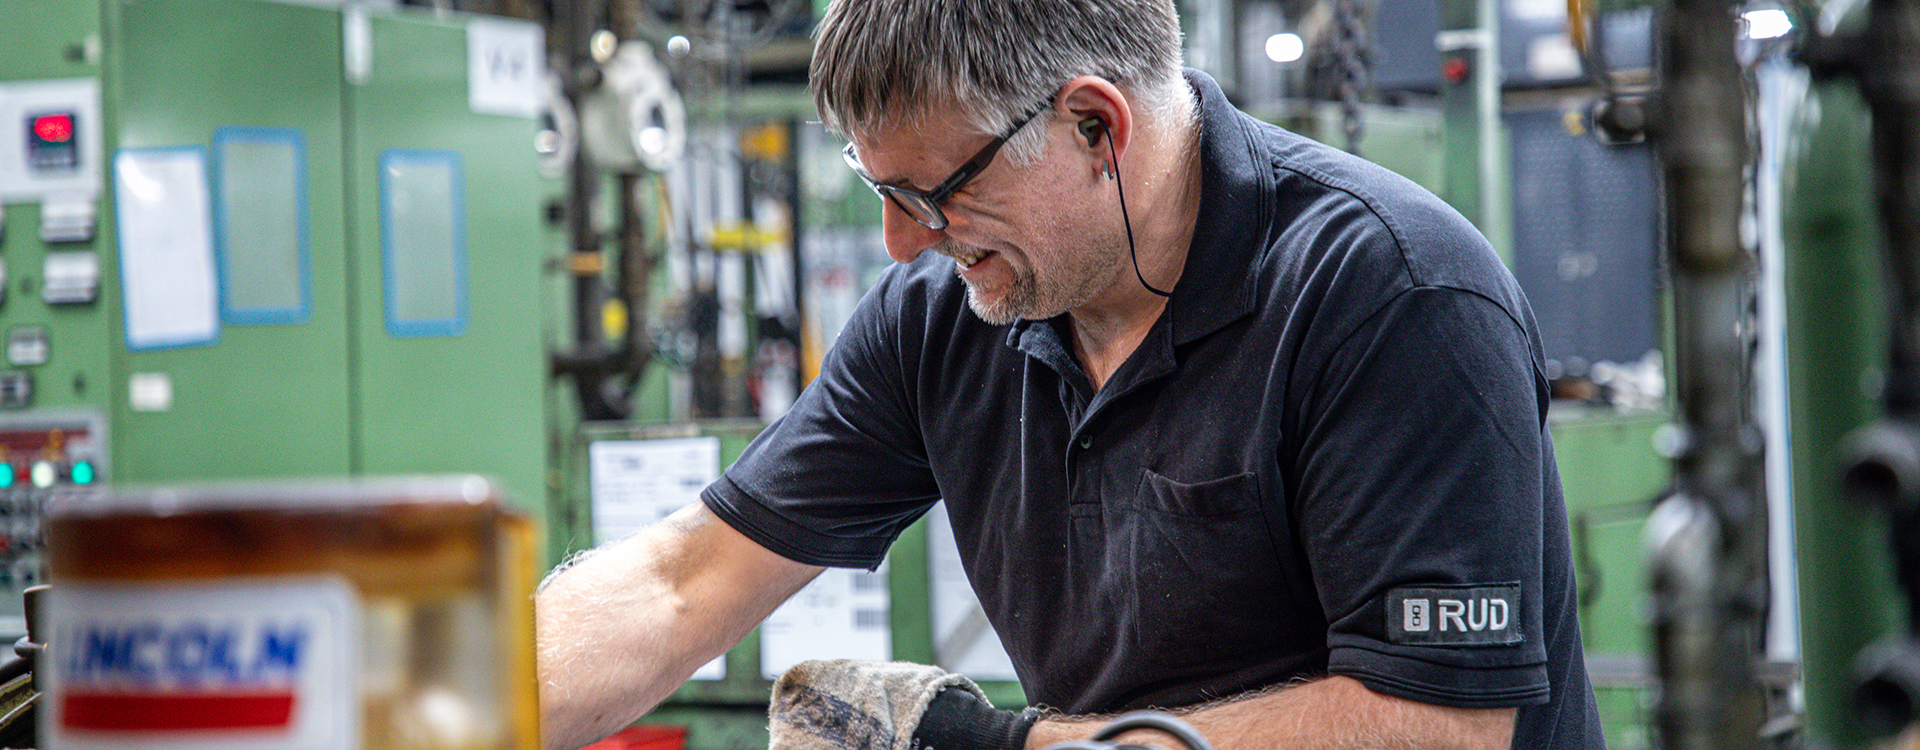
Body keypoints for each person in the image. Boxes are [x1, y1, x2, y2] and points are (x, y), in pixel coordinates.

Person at [536, 0, 1605, 747]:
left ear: (1095, 126)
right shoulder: (942, 318)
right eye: (881, 191)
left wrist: (1015, 747)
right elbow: (681, 584)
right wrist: (464, 703)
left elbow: (1431, 727)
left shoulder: (1391, 296)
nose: (904, 245)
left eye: (932, 195)